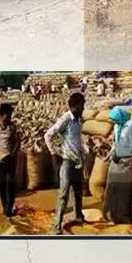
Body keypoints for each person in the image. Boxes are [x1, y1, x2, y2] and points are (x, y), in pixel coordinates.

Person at [45, 92, 87, 235]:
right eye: (82, 105)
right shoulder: (65, 119)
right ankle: (57, 226)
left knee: (77, 192)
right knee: (63, 195)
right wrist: (53, 153)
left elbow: (77, 140)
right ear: (75, 106)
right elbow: (48, 135)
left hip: (77, 161)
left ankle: (78, 216)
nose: (83, 108)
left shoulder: (78, 120)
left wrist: (83, 153)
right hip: (67, 161)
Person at [103, 106, 132, 224]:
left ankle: (123, 216)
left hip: (127, 162)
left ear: (121, 116)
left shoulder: (131, 125)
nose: (114, 122)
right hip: (116, 160)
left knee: (124, 190)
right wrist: (110, 154)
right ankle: (111, 214)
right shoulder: (117, 126)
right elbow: (115, 142)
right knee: (112, 187)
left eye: (115, 119)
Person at [0, 103, 20, 217]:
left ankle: (9, 208)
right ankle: (5, 207)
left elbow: (18, 142)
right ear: (1, 116)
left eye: (11, 115)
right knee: (1, 184)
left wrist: (13, 154)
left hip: (10, 159)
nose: (9, 118)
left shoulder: (12, 127)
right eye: (7, 115)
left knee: (9, 183)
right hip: (0, 159)